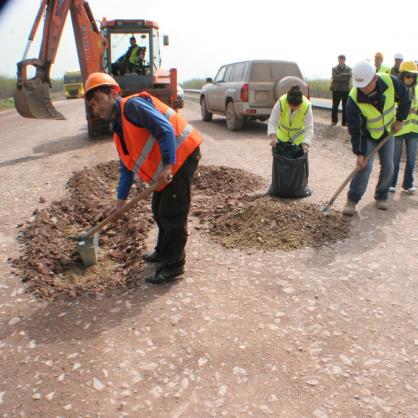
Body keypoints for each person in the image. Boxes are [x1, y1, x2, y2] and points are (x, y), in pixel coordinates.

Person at [84, 72, 203, 284]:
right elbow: (126, 168)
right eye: (92, 105)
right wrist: (119, 203)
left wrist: (167, 166)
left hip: (182, 155)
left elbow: (165, 129)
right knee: (158, 209)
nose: (96, 108)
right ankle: (162, 252)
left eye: (99, 100)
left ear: (113, 93)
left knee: (171, 212)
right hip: (169, 164)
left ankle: (174, 265)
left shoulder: (132, 106)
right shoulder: (118, 130)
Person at [343, 61, 411, 216]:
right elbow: (356, 130)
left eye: (366, 85)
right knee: (364, 167)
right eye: (360, 86)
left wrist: (400, 119)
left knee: (389, 165)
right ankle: (352, 200)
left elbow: (406, 97)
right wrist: (360, 153)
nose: (362, 89)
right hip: (368, 135)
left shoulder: (390, 81)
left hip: (388, 132)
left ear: (374, 78)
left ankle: (381, 196)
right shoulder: (353, 100)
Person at [267, 85, 313, 196]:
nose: (294, 108)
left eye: (296, 107)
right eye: (291, 106)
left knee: (297, 166)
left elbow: (309, 127)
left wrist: (306, 142)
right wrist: (273, 136)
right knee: (282, 166)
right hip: (282, 137)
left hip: (298, 139)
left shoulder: (306, 106)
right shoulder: (281, 102)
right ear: (287, 102)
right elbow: (272, 121)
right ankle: (279, 187)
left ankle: (298, 188)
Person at [390, 61, 418, 194]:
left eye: (413, 76)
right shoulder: (395, 88)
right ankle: (391, 183)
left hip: (414, 130)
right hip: (399, 130)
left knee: (411, 159)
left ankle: (408, 184)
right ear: (401, 75)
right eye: (408, 75)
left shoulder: (417, 89)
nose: (411, 78)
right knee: (395, 159)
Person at [330, 54, 352, 126]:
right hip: (336, 89)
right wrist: (344, 76)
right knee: (335, 106)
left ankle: (344, 122)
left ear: (344, 60)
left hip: (345, 90)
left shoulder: (349, 69)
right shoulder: (334, 69)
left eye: (342, 59)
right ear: (338, 60)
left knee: (345, 106)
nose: (341, 60)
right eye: (340, 59)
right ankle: (334, 121)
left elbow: (350, 75)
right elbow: (335, 77)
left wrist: (339, 76)